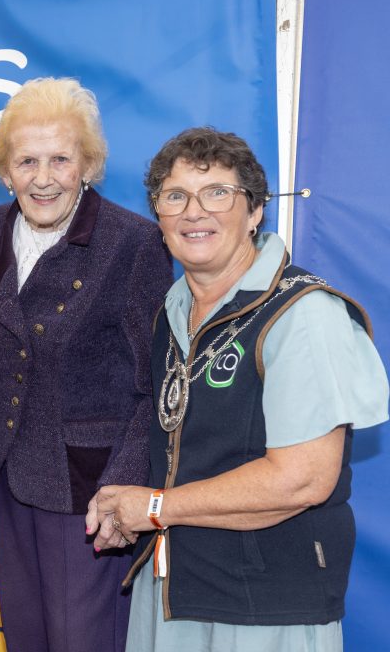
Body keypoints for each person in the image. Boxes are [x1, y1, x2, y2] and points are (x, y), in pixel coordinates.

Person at [87, 127, 389, 651]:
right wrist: (129, 506)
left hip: (267, 610)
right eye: (174, 196)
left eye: (218, 193)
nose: (194, 212)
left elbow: (301, 481)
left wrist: (155, 507)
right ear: (158, 217)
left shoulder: (305, 316)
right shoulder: (170, 310)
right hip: (174, 594)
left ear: (255, 213)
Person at [0, 77, 173, 652]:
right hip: (7, 479)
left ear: (88, 164)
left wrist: (122, 489)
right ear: (5, 171)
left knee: (84, 641)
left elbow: (154, 388)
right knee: (26, 638)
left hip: (90, 493)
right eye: (27, 161)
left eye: (61, 158)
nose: (44, 176)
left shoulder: (134, 243)